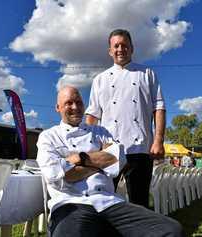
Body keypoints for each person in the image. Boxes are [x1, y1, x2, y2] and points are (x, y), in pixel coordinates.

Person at [36, 86, 184, 237]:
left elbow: (119, 160)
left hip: (109, 202)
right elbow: (58, 174)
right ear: (58, 107)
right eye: (69, 103)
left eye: (79, 102)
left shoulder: (100, 132)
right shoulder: (48, 137)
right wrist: (102, 162)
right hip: (70, 203)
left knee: (172, 229)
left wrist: (81, 159)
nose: (75, 107)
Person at [85, 29, 166, 208]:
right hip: (109, 150)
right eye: (116, 46)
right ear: (110, 51)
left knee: (140, 203)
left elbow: (158, 108)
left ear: (132, 48)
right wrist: (90, 146)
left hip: (140, 148)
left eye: (124, 45)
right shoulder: (100, 79)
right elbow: (92, 115)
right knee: (104, 201)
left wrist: (158, 140)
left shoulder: (147, 73)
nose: (120, 49)